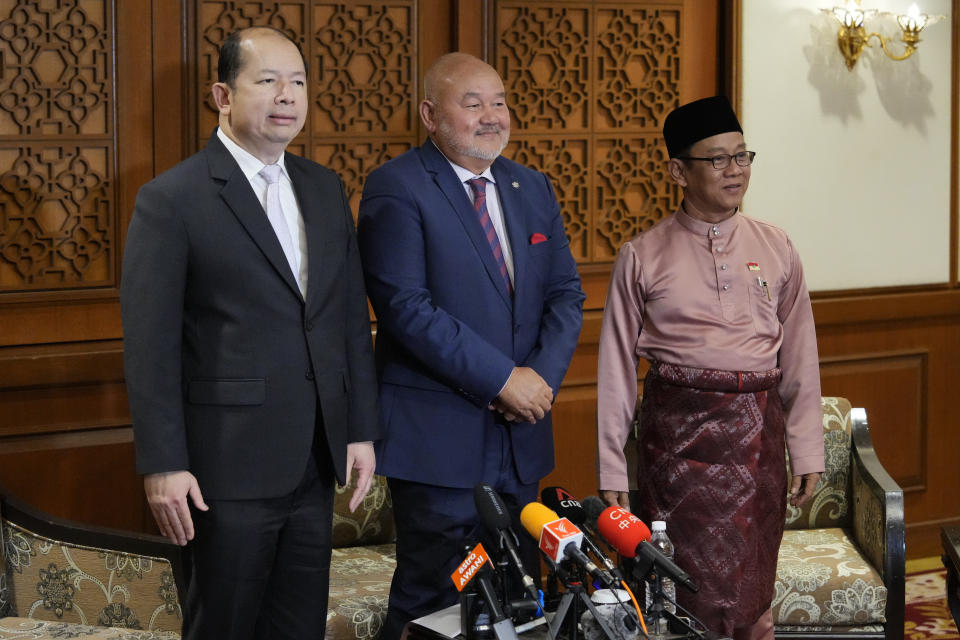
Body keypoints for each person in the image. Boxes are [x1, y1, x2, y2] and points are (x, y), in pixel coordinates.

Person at [120, 26, 380, 640]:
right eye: (267, 81)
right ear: (222, 95)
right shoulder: (172, 199)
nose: (286, 95)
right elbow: (150, 346)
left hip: (314, 461)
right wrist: (164, 464)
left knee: (297, 630)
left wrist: (361, 429)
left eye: (297, 82)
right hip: (222, 470)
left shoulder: (323, 188)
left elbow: (347, 318)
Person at [357, 52, 585, 639]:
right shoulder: (396, 187)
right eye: (473, 102)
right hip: (440, 444)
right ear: (430, 114)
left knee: (515, 606)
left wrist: (538, 383)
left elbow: (565, 295)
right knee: (432, 603)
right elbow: (406, 309)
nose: (492, 116)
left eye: (500, 101)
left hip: (520, 441)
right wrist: (503, 380)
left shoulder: (531, 186)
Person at [596, 96, 824, 640]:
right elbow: (616, 370)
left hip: (756, 444)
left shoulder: (777, 246)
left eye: (743, 156)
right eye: (718, 159)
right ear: (679, 170)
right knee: (675, 597)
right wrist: (610, 467)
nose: (735, 170)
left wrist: (808, 448)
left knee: (749, 597)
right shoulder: (642, 255)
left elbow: (799, 357)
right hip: (675, 449)